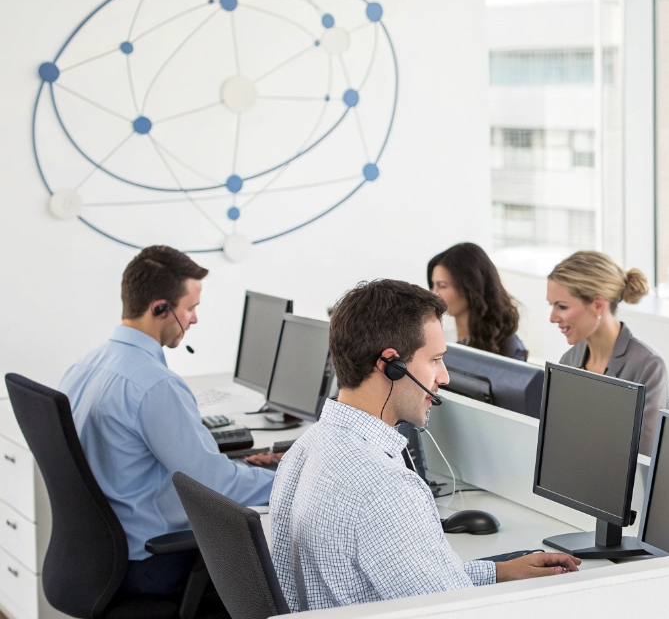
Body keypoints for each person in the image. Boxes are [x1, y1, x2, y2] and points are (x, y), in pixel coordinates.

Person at [270, 279, 579, 610]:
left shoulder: (305, 450)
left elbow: (405, 581)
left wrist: (497, 572)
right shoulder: (385, 487)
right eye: (434, 360)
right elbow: (458, 611)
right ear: (391, 365)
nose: (444, 377)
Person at [59, 245, 274, 595]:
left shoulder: (84, 366)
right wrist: (291, 481)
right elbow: (218, 487)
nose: (194, 319)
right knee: (275, 572)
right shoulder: (155, 385)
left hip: (94, 557)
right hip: (150, 563)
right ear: (160, 308)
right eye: (190, 309)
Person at [547, 251, 669, 456]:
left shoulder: (648, 367)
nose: (553, 317)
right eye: (552, 305)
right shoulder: (568, 361)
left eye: (562, 306)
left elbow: (643, 459)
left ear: (597, 305)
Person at [427, 242, 528, 361]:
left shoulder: (508, 347)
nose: (434, 293)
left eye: (442, 286)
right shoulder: (441, 338)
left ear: (470, 288)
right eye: (433, 285)